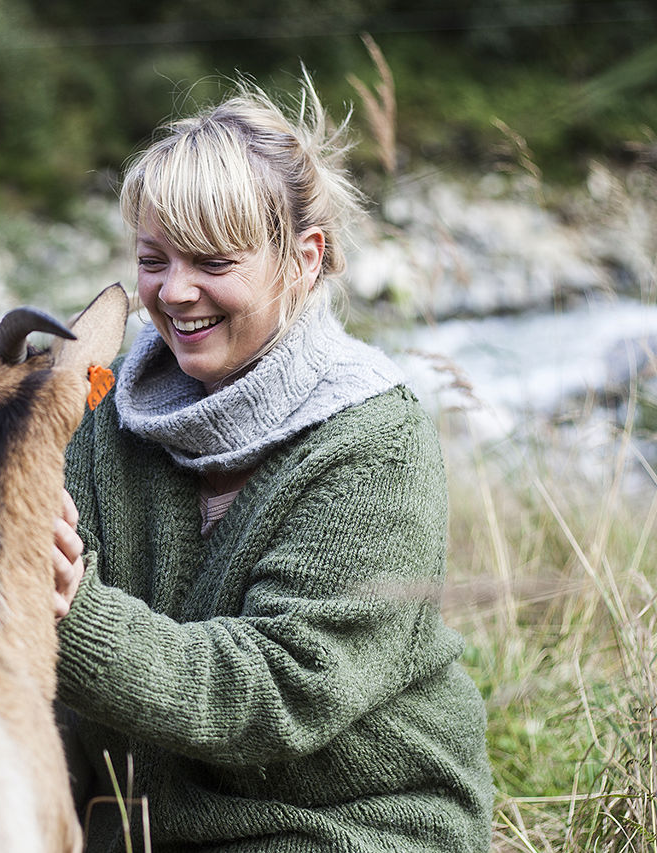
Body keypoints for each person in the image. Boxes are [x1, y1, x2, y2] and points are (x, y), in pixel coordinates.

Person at [50, 78, 494, 852]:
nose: (175, 292)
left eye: (214, 261)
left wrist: (70, 612)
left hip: (349, 826)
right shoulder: (101, 409)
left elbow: (279, 692)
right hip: (140, 828)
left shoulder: (376, 444)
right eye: (153, 259)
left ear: (304, 258)